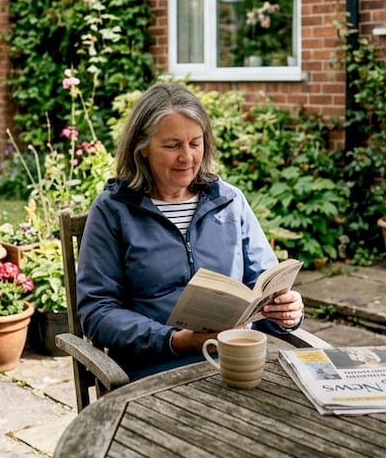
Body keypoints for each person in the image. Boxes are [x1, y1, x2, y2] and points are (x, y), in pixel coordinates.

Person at [76, 82, 306, 380]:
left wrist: (287, 313)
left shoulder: (229, 201)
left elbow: (263, 285)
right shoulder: (113, 210)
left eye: (195, 143)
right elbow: (97, 311)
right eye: (172, 146)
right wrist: (173, 340)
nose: (187, 157)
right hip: (157, 368)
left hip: (237, 357)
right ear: (142, 147)